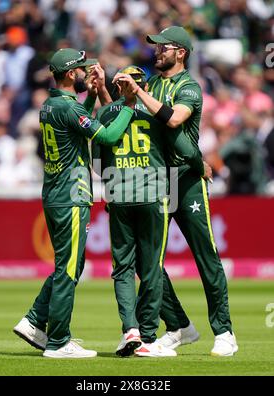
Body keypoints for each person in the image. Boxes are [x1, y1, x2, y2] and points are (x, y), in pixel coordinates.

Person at [113, 26, 238, 357]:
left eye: (163, 47)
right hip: (155, 180)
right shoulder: (152, 84)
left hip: (186, 180)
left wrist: (139, 93)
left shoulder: (190, 86)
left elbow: (174, 120)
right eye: (155, 47)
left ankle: (225, 331)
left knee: (205, 255)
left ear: (180, 52)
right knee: (146, 260)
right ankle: (179, 325)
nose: (157, 52)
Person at [13, 48, 136, 358]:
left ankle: (33, 321)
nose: (85, 72)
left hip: (54, 194)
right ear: (70, 74)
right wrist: (129, 107)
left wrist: (93, 95)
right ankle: (57, 341)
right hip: (71, 196)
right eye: (81, 69)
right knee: (68, 269)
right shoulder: (69, 109)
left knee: (68, 265)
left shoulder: (50, 105)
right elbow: (106, 137)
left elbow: (78, 127)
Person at [96, 65, 208, 358]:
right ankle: (147, 336)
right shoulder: (156, 113)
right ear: (144, 86)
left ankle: (129, 330)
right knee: (151, 268)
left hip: (118, 195)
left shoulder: (105, 114)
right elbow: (185, 147)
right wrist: (202, 166)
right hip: (155, 194)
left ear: (120, 86)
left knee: (122, 268)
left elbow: (97, 164)